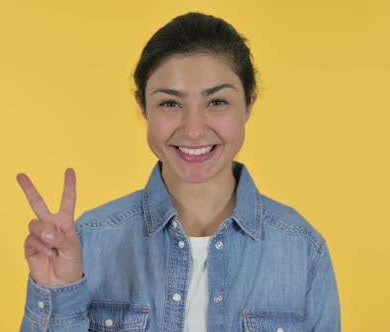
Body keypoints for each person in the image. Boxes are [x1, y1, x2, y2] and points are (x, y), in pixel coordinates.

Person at [17, 12, 340, 332]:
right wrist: (58, 294)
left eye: (217, 102)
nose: (194, 130)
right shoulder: (89, 240)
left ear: (249, 105)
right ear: (143, 106)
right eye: (170, 104)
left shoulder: (303, 249)